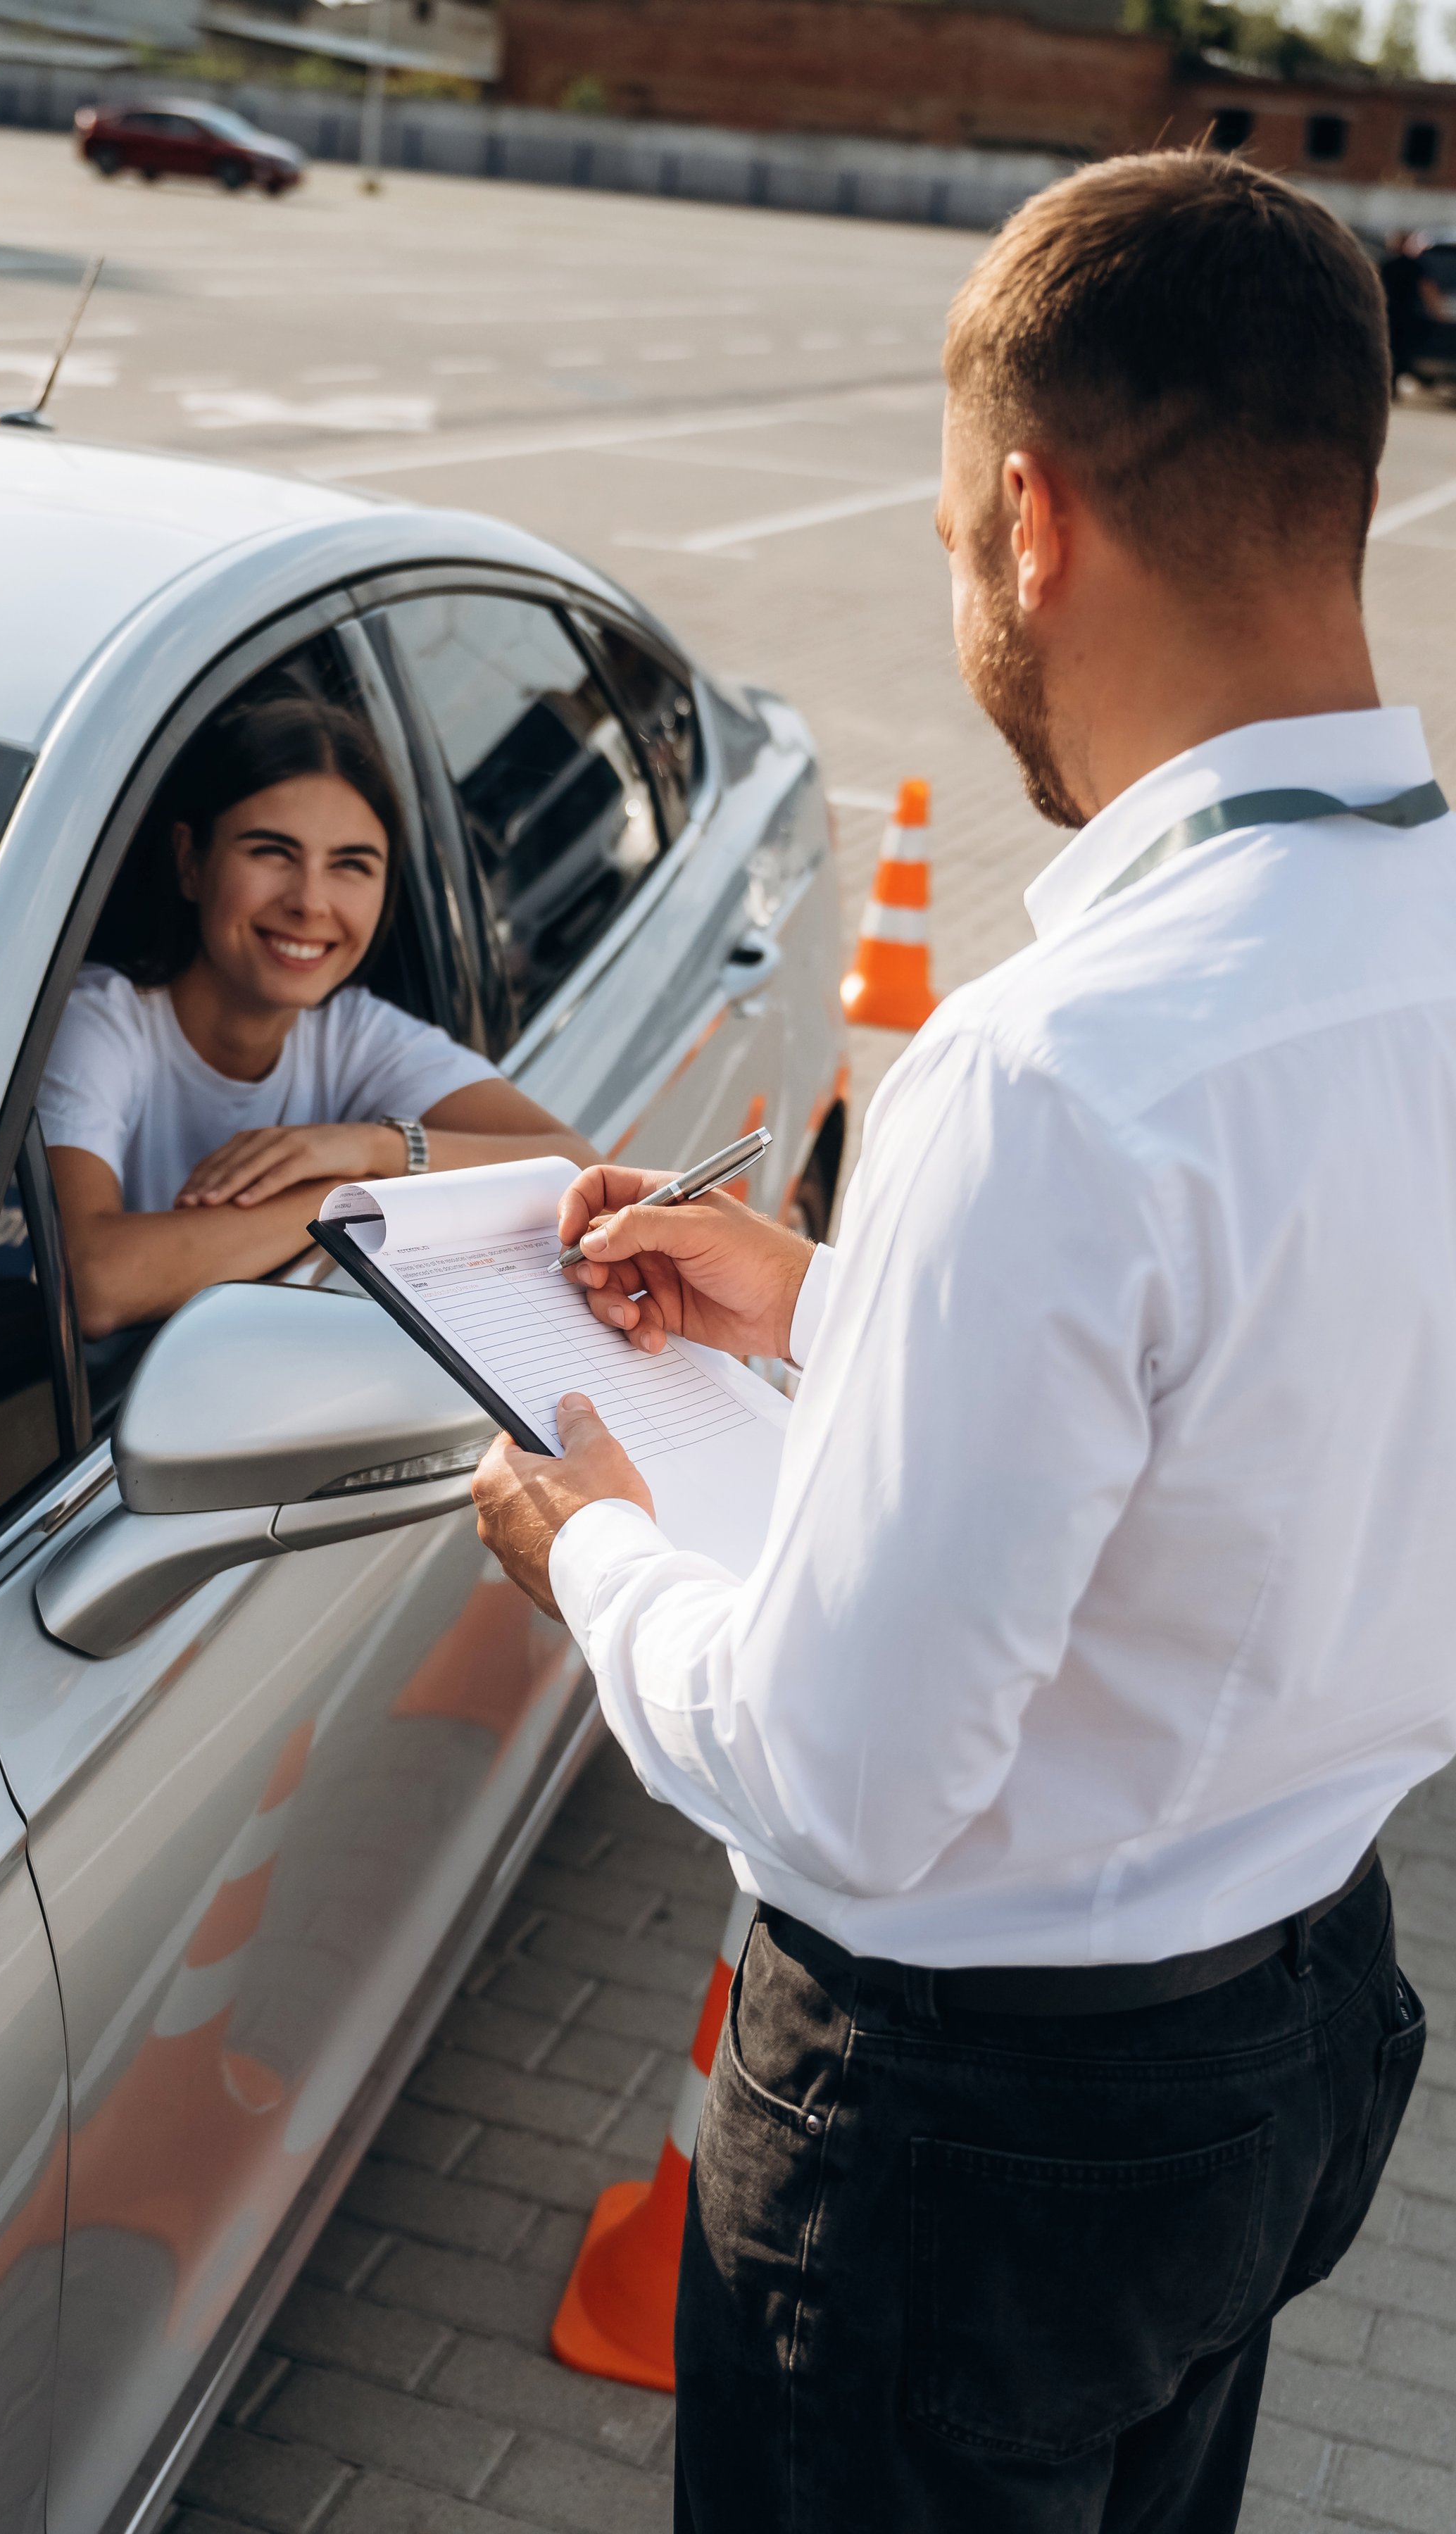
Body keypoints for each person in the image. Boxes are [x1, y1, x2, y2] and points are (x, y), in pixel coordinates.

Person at [471, 151, 1451, 2533]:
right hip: (1299, 2017)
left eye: (938, 532)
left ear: (1030, 521)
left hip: (976, 2137)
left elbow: (852, 1770)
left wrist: (594, 1549)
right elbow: (1294, 1368)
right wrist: (832, 1297)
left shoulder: (1053, 1068)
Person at [41, 693, 593, 1338]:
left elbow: (577, 1169)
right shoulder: (101, 1021)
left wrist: (373, 1147)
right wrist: (347, 1196)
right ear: (191, 861)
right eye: (271, 852)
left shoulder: (357, 1034)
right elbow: (93, 1284)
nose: (310, 901)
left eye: (351, 865)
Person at [1380, 229, 1424, 399]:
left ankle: (1390, 386)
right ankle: (1395, 385)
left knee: (1390, 349)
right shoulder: (1415, 266)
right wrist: (1437, 312)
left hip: (1389, 313)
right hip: (1408, 314)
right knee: (1403, 351)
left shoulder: (1387, 264)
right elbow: (1427, 289)